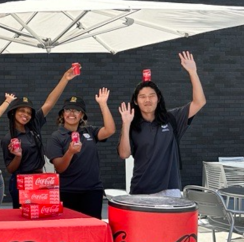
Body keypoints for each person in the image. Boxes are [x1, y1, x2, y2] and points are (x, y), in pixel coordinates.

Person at [118, 51, 206, 197]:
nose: (148, 100)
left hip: (170, 189)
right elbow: (124, 154)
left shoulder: (171, 118)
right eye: (143, 97)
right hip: (141, 191)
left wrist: (193, 72)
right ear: (135, 101)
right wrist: (126, 124)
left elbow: (199, 102)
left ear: (158, 98)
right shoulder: (132, 125)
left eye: (152, 96)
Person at [1, 66, 78, 208]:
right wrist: (17, 156)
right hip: (20, 182)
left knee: (41, 215)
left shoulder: (33, 125)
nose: (26, 115)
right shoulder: (8, 138)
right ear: (13, 113)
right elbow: (10, 169)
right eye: (22, 111)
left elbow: (49, 103)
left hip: (39, 179)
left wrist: (65, 78)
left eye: (29, 112)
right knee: (23, 220)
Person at [45, 89, 116, 218]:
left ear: (82, 115)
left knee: (92, 229)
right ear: (62, 114)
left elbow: (110, 130)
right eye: (68, 110)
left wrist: (103, 104)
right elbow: (60, 168)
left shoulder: (89, 131)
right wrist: (70, 152)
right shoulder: (56, 137)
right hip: (67, 191)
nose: (72, 113)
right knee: (69, 231)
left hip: (92, 191)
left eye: (76, 110)